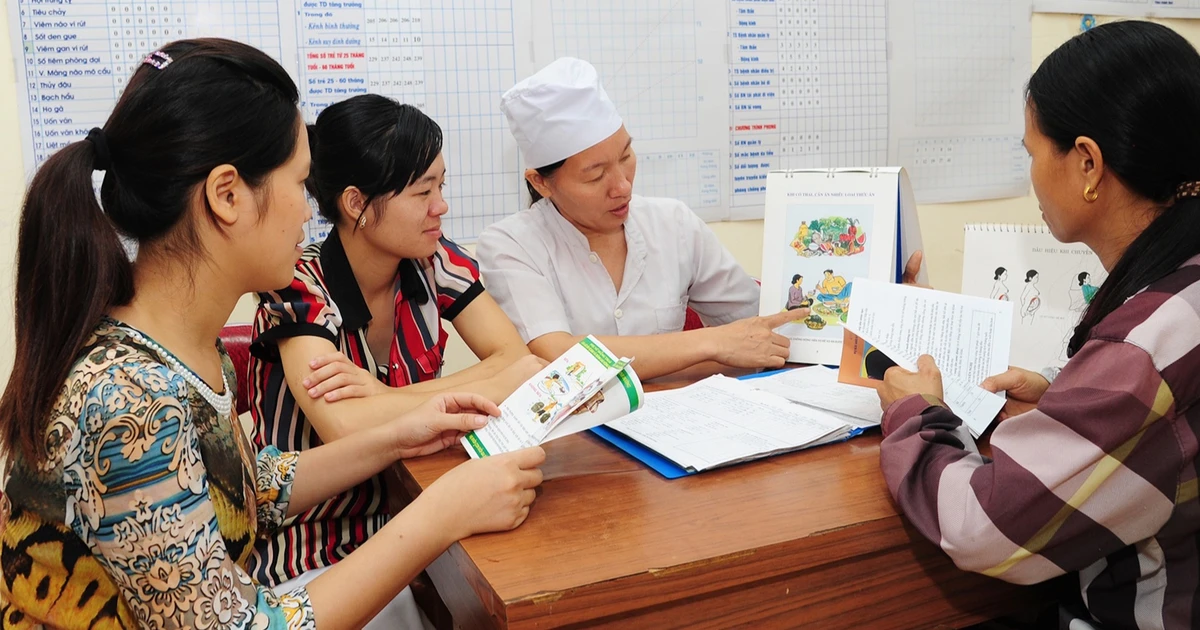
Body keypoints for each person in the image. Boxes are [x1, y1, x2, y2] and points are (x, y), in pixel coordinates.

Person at [0, 38, 544, 630]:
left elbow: (246, 488)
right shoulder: (131, 398)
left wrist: (400, 435)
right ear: (227, 195)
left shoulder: (179, 348)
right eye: (299, 182)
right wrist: (443, 513)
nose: (309, 213)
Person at [876, 21, 1200, 629]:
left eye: (1031, 152)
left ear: (1086, 163)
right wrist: (1068, 396)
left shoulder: (1140, 349)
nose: (1031, 176)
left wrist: (915, 416)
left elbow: (982, 529)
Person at [247, 94, 542, 593]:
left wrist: (381, 397)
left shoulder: (434, 262)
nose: (441, 207)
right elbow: (345, 425)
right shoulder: (297, 284)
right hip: (308, 550)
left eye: (441, 186)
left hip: (414, 521)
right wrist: (486, 381)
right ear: (357, 203)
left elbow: (519, 359)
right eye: (422, 192)